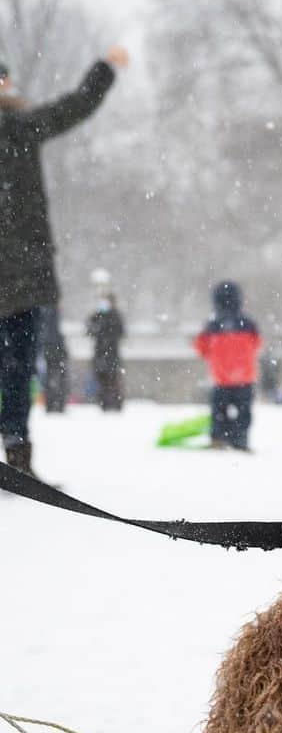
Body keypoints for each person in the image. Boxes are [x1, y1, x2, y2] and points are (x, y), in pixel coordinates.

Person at [0, 48, 126, 475]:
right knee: (17, 370)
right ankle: (17, 454)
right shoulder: (19, 126)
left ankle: (17, 452)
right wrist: (104, 70)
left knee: (17, 369)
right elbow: (75, 106)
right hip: (22, 278)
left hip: (22, 275)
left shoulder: (20, 127)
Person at [194, 281, 262, 451]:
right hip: (245, 378)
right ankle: (241, 438)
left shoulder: (212, 325)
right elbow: (257, 344)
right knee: (243, 411)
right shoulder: (248, 324)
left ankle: (218, 438)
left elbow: (201, 348)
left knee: (219, 411)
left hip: (221, 378)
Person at [85, 292, 125, 410]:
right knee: (102, 379)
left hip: (111, 353)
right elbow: (89, 329)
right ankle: (104, 403)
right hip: (99, 353)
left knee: (112, 379)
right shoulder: (97, 315)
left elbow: (120, 332)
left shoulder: (116, 315)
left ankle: (114, 404)